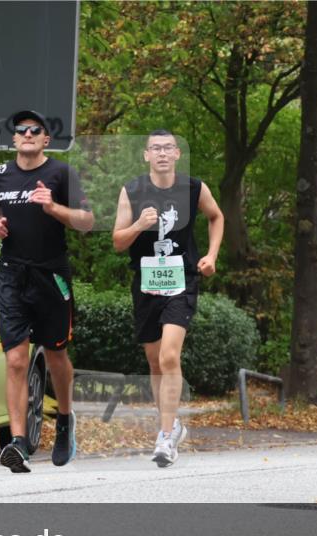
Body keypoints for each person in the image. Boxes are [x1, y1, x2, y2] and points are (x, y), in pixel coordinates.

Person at [0, 110, 94, 473]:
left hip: (51, 275)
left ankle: (63, 420)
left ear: (46, 139)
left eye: (35, 130)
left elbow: (87, 222)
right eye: (21, 130)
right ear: (14, 140)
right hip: (12, 275)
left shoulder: (60, 173)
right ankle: (18, 443)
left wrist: (53, 207)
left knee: (56, 356)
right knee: (15, 360)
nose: (27, 134)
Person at [112, 130, 224, 467]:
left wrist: (211, 256)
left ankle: (164, 440)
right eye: (155, 148)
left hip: (182, 279)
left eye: (168, 148)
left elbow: (216, 216)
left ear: (177, 154)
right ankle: (172, 425)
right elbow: (118, 241)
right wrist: (138, 226)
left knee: (170, 355)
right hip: (147, 282)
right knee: (154, 361)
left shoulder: (193, 188)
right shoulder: (132, 190)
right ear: (146, 155)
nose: (162, 153)